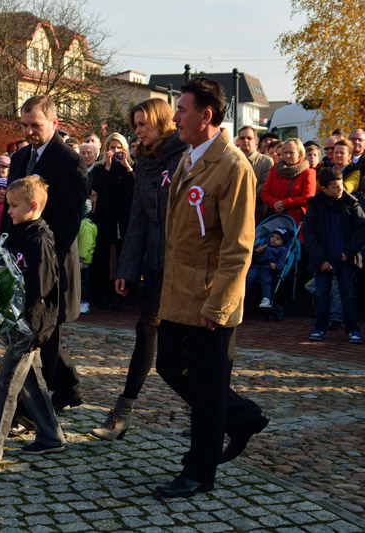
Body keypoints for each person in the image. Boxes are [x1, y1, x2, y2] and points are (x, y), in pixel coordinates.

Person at [153, 78, 268, 498]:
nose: (175, 116)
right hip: (179, 291)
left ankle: (199, 471)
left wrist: (218, 304)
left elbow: (238, 246)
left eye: (181, 109)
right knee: (168, 364)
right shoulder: (188, 157)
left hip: (211, 295)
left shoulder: (233, 166)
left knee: (206, 384)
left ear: (206, 115)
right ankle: (241, 416)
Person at [90, 97, 187, 441]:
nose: (138, 131)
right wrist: (127, 270)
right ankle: (123, 410)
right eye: (135, 125)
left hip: (186, 266)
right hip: (159, 266)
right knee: (147, 332)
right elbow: (138, 223)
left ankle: (229, 413)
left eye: (144, 124)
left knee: (178, 353)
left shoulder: (185, 155)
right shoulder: (144, 162)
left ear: (162, 121)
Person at [0, 176, 65, 463]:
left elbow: (39, 286)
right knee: (31, 379)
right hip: (16, 319)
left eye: (14, 206)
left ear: (32, 206)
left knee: (5, 383)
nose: (8, 211)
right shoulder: (17, 232)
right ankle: (51, 436)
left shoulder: (40, 240)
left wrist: (9, 301)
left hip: (30, 323)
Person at [0, 94, 88, 420]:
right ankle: (69, 388)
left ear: (54, 123)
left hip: (51, 264)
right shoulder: (20, 158)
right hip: (21, 260)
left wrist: (41, 261)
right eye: (24, 125)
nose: (29, 131)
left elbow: (69, 222)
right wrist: (2, 249)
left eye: (35, 125)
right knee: (44, 334)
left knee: (45, 334)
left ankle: (30, 413)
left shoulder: (70, 162)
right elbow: (10, 210)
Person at [304, 168, 365, 344]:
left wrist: (350, 251)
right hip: (323, 258)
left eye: (341, 186)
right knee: (322, 293)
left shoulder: (350, 203)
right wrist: (320, 259)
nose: (340, 191)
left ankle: (352, 329)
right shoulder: (315, 205)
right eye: (335, 187)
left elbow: (361, 228)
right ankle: (320, 328)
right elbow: (309, 234)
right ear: (324, 188)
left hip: (345, 258)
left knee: (348, 294)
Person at [90, 132, 134, 311]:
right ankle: (104, 293)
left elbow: (134, 189)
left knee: (121, 255)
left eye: (118, 148)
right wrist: (107, 167)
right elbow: (99, 189)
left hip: (123, 217)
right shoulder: (100, 168)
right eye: (111, 148)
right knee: (104, 256)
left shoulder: (129, 167)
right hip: (105, 218)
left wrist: (126, 166)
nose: (115, 151)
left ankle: (120, 293)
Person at [261, 138, 316, 239]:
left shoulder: (308, 172)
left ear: (300, 153)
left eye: (291, 152)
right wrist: (274, 203)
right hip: (275, 217)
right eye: (285, 152)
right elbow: (265, 193)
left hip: (296, 221)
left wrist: (284, 203)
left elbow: (308, 197)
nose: (287, 156)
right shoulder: (274, 170)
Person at [237, 126, 274, 223]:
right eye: (242, 138)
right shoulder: (233, 161)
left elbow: (265, 184)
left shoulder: (266, 161)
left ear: (256, 140)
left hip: (257, 208)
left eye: (249, 138)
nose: (245, 140)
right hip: (235, 208)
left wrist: (247, 198)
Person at [246, 228, 289, 309]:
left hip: (268, 268)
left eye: (278, 239)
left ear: (283, 242)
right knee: (247, 278)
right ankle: (242, 297)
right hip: (256, 266)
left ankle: (266, 299)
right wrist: (256, 251)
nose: (274, 239)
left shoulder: (282, 250)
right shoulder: (262, 244)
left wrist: (275, 266)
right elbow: (250, 253)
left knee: (266, 281)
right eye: (273, 237)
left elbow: (281, 262)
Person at [77, 199, 97, 314]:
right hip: (82, 259)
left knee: (83, 283)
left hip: (82, 261)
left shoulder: (85, 226)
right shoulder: (85, 225)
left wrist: (81, 258)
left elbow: (85, 244)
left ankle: (84, 302)